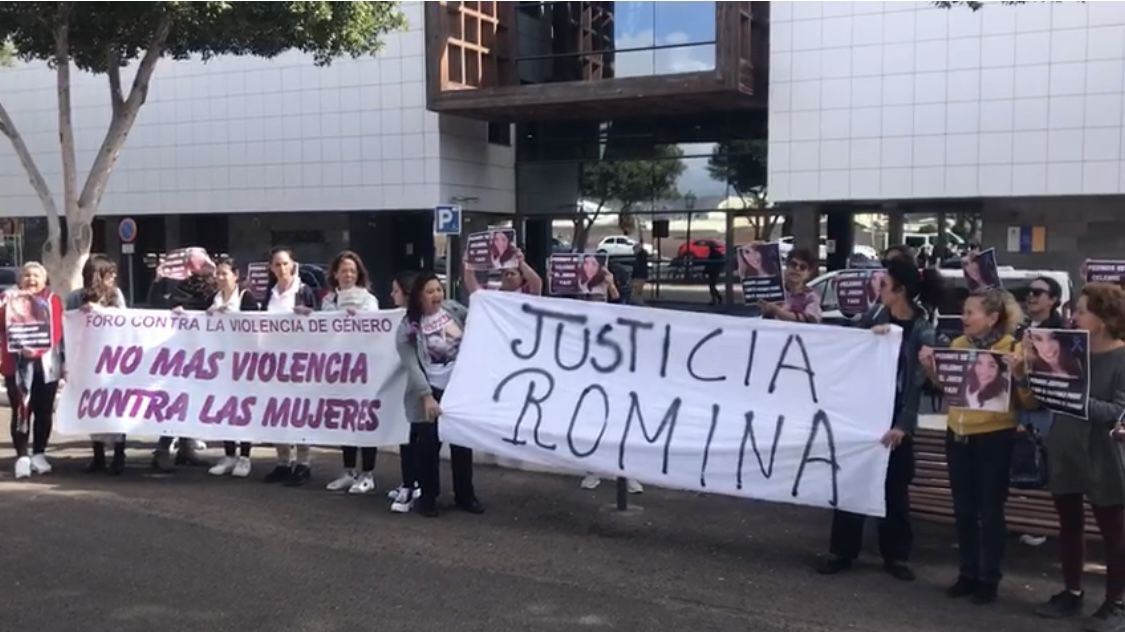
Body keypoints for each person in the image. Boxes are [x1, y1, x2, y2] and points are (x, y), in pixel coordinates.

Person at [818, 258, 942, 582]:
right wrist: (868, 338)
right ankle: (842, 550)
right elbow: (848, 351)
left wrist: (904, 425)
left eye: (884, 285)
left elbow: (917, 384)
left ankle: (896, 555)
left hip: (896, 419)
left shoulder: (922, 329)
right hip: (864, 416)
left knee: (895, 488)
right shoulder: (873, 316)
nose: (878, 289)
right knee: (851, 482)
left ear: (900, 291)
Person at [919, 287, 1036, 604]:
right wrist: (932, 370)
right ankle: (967, 573)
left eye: (971, 313)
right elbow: (952, 389)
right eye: (964, 311)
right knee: (964, 510)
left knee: (990, 511)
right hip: (957, 435)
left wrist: (1020, 373)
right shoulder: (958, 345)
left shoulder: (1011, 348)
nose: (964, 318)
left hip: (994, 438)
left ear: (992, 318)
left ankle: (989, 578)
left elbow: (1028, 401)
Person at [1029, 284, 1125, 628]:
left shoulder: (1121, 357)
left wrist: (1072, 397)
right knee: (1069, 527)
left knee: (1113, 533)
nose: (1074, 317)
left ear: (1102, 319)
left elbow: (1117, 410)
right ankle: (1072, 592)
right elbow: (1043, 396)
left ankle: (1116, 601)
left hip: (1104, 453)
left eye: (1082, 311)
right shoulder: (1070, 351)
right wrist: (1030, 374)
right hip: (1065, 446)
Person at [396, 272, 483, 517]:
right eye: (430, 291)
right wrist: (426, 396)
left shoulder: (453, 310)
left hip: (458, 389)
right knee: (428, 448)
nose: (437, 295)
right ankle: (428, 497)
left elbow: (480, 318)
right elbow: (411, 365)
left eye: (439, 289)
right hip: (430, 392)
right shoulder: (408, 327)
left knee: (462, 445)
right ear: (419, 297)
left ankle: (466, 495)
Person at [321, 250, 382, 495]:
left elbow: (379, 330)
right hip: (339, 371)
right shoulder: (329, 301)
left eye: (352, 271)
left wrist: (361, 320)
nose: (348, 274)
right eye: (344, 270)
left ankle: (367, 473)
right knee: (345, 420)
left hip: (363, 370)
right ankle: (348, 470)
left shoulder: (369, 300)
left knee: (365, 420)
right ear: (335, 274)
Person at [151, 249, 218, 472]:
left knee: (193, 399)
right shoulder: (173, 282)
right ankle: (162, 449)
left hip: (201, 351)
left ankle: (186, 447)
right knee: (175, 401)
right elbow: (155, 308)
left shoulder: (211, 283)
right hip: (176, 352)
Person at [261, 246, 321, 486]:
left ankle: (303, 463)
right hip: (275, 362)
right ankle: (283, 461)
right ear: (271, 268)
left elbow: (321, 322)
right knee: (278, 411)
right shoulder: (270, 293)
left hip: (301, 361)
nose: (282, 268)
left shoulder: (304, 290)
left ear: (293, 264)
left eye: (285, 263)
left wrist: (309, 314)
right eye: (277, 264)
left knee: (301, 411)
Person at [65, 255, 128, 475]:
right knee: (93, 407)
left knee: (116, 406)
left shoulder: (115, 296)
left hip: (113, 361)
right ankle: (98, 455)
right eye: (109, 273)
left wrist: (101, 312)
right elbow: (68, 328)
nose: (113, 277)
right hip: (87, 361)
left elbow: (125, 322)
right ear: (96, 275)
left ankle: (119, 454)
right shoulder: (75, 298)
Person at [1, 262, 64, 479]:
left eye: (36, 275)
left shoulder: (52, 300)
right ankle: (22, 456)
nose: (31, 279)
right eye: (27, 275)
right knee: (20, 410)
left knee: (43, 410)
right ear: (20, 280)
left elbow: (56, 331)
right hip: (15, 365)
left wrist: (36, 352)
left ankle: (39, 453)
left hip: (45, 365)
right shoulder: (8, 299)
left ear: (44, 280)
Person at [205, 256, 260, 478]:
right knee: (225, 408)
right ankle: (229, 455)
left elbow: (258, 328)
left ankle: (245, 456)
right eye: (217, 273)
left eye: (224, 273)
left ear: (236, 276)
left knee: (243, 408)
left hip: (244, 363)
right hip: (221, 363)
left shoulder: (247, 298)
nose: (219, 277)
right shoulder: (213, 299)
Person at [387, 271, 421, 513]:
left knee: (415, 438)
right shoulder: (396, 318)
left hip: (418, 386)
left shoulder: (414, 320)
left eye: (395, 290)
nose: (391, 295)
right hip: (404, 385)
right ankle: (408, 482)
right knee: (406, 436)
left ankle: (413, 484)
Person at [760, 247, 821, 324]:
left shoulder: (812, 297)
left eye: (803, 267)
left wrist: (777, 311)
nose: (797, 269)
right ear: (787, 266)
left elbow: (808, 319)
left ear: (808, 274)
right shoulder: (775, 291)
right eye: (793, 264)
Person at [464, 246, 542, 295]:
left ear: (521, 277)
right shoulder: (491, 290)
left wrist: (521, 262)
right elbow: (474, 289)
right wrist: (468, 266)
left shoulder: (525, 292)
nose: (509, 276)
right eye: (506, 274)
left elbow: (536, 282)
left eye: (512, 274)